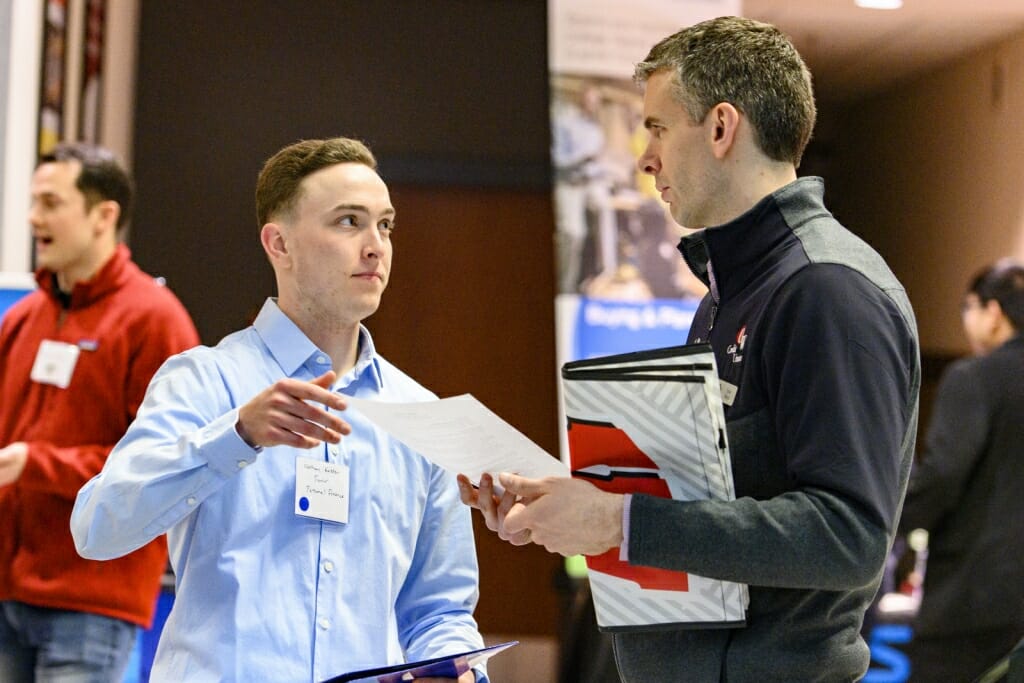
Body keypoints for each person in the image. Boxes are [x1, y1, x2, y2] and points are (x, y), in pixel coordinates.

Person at [460, 16, 920, 682]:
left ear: (722, 126)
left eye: (657, 128)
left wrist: (623, 520)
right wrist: (576, 505)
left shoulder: (826, 289)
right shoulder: (726, 294)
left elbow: (848, 536)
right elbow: (709, 502)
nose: (645, 160)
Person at [70, 137, 486, 682]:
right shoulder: (204, 380)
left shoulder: (421, 413)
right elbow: (98, 528)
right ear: (279, 243)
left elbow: (440, 609)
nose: (375, 246)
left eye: (385, 225)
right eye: (348, 222)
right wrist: (235, 436)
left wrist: (457, 670)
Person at [0, 142, 199, 681]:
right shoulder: (23, 319)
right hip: (7, 596)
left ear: (103, 215)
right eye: (33, 202)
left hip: (91, 604)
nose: (33, 218)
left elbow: (163, 464)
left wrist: (32, 464)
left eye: (50, 203)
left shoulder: (155, 321)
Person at [898, 260, 1024, 682]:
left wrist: (886, 524)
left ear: (992, 312)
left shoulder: (974, 378)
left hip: (972, 598)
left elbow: (944, 476)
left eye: (968, 307)